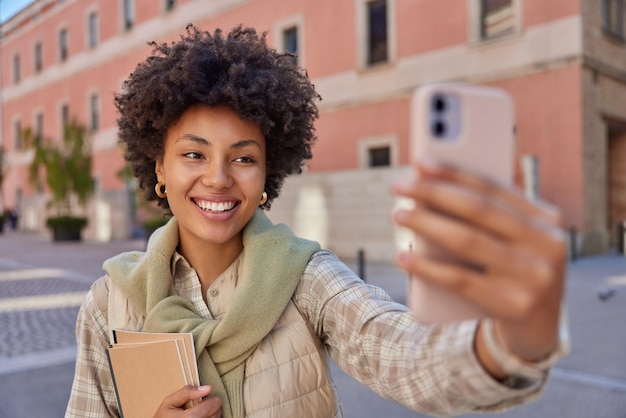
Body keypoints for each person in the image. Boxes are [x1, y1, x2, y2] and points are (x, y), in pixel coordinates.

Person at [65, 25, 568, 418]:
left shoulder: (306, 277)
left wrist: (508, 342)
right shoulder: (110, 302)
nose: (217, 179)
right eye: (193, 155)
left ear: (267, 174)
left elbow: (404, 355)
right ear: (159, 168)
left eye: (243, 159)